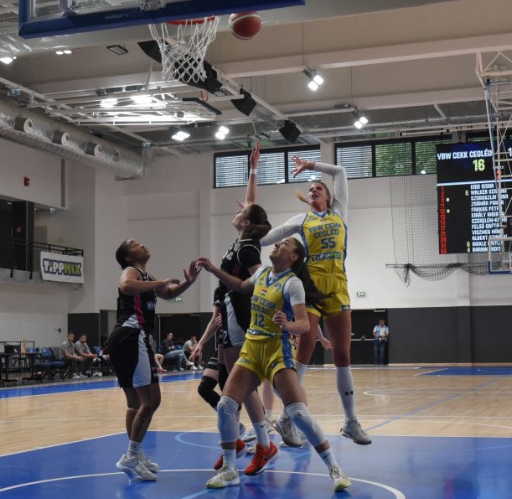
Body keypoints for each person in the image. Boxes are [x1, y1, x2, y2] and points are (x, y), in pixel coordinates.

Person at [198, 238, 352, 491]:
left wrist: (287, 324)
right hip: (251, 348)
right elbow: (240, 285)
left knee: (298, 413)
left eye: (286, 243)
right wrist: (214, 269)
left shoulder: (293, 284)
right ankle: (230, 469)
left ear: (293, 257)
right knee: (225, 406)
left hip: (276, 351)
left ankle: (335, 469)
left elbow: (304, 324)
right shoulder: (262, 273)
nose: (279, 243)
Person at [258, 155, 371, 445]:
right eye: (310, 190)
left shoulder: (339, 212)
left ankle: (350, 421)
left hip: (338, 287)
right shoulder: (301, 220)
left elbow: (341, 171)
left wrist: (311, 166)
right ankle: (286, 417)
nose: (313, 191)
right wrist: (247, 232)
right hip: (310, 288)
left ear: (329, 196)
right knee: (304, 351)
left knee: (343, 355)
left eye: (318, 188)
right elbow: (267, 238)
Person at [192, 152, 274, 456]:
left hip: (240, 314)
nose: (238, 210)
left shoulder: (248, 249)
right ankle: (247, 440)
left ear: (247, 222)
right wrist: (253, 168)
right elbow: (251, 202)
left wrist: (214, 270)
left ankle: (261, 441)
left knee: (241, 383)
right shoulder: (241, 241)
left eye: (243, 211)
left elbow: (260, 282)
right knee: (235, 383)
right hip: (228, 313)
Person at [107, 239, 199, 481]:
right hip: (131, 334)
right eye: (135, 244)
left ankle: (135, 454)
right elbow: (126, 285)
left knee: (136, 403)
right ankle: (131, 456)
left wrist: (189, 282)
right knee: (149, 401)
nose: (143, 244)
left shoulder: (146, 276)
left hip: (130, 337)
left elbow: (168, 293)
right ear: (128, 256)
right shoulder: (131, 271)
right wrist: (160, 282)